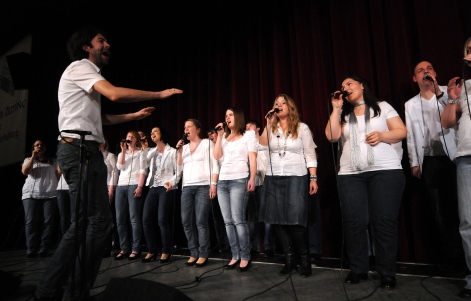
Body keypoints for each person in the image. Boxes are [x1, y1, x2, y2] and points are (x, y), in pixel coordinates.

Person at [34, 25, 182, 301]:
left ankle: (53, 290)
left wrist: (133, 116)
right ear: (86, 47)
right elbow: (113, 93)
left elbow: (99, 119)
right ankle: (72, 291)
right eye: (101, 40)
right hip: (79, 150)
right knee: (99, 224)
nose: (107, 44)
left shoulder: (87, 78)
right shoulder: (80, 67)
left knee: (82, 226)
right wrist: (158, 94)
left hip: (81, 149)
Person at [325, 75, 406, 288]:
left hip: (385, 170)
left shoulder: (381, 107)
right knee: (354, 223)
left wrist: (381, 135)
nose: (345, 88)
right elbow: (332, 136)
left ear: (362, 86)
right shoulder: (343, 113)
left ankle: (387, 272)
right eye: (343, 86)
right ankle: (358, 269)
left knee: (384, 222)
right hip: (351, 173)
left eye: (350, 83)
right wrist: (335, 108)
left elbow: (401, 131)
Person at [404, 61, 461, 266]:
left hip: (455, 156)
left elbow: (457, 114)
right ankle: (454, 261)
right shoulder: (410, 104)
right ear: (414, 78)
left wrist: (439, 91)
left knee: (461, 208)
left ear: (435, 73)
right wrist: (414, 163)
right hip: (430, 161)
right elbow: (410, 135)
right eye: (420, 70)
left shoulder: (450, 92)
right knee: (439, 212)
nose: (425, 72)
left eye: (428, 69)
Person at [259, 95, 318, 278]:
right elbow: (262, 143)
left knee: (296, 220)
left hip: (296, 176)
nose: (279, 105)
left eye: (282, 103)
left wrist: (313, 177)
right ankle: (289, 260)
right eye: (276, 103)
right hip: (274, 175)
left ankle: (305, 260)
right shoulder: (272, 126)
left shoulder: (302, 128)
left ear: (290, 107)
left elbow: (309, 153)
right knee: (279, 221)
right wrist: (268, 123)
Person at [441, 37, 471, 299]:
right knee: (468, 222)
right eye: (469, 50)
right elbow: (447, 122)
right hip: (465, 158)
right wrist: (452, 99)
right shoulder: (464, 87)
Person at [213, 107, 257, 272]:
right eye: (225, 115)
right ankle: (235, 254)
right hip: (223, 182)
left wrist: (252, 178)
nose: (227, 117)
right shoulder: (223, 137)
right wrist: (219, 136)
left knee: (238, 219)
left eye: (230, 114)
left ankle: (245, 256)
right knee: (228, 220)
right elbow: (217, 156)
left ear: (237, 117)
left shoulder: (248, 135)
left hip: (239, 179)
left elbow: (252, 158)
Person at [176, 119, 219, 267]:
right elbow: (179, 167)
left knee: (201, 221)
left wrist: (213, 184)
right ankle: (193, 252)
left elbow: (215, 164)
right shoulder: (185, 148)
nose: (186, 129)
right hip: (187, 187)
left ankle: (203, 253)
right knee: (186, 221)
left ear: (198, 129)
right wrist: (180, 152)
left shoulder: (207, 143)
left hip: (203, 186)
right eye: (184, 127)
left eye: (189, 126)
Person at [141, 127, 182, 263]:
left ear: (162, 134)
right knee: (146, 219)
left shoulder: (172, 152)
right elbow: (143, 164)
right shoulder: (152, 152)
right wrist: (145, 149)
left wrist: (172, 182)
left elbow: (179, 171)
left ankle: (166, 250)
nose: (152, 134)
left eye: (155, 132)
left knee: (162, 220)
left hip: (166, 188)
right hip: (153, 187)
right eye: (151, 132)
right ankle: (152, 250)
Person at [21, 140, 60, 258]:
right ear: (33, 148)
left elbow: (60, 174)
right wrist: (33, 156)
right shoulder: (28, 159)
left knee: (47, 223)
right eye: (36, 145)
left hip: (50, 194)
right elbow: (25, 171)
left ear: (45, 148)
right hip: (31, 195)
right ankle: (31, 249)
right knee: (31, 222)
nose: (39, 146)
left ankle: (44, 249)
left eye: (41, 145)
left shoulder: (53, 161)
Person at [113, 131, 147, 260]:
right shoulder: (123, 153)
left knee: (134, 218)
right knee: (120, 219)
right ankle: (124, 248)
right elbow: (120, 166)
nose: (129, 138)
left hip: (134, 184)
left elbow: (143, 170)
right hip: (121, 185)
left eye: (132, 137)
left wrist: (140, 186)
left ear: (136, 139)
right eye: (128, 136)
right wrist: (123, 150)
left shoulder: (141, 152)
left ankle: (136, 248)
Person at [245, 119, 274, 257]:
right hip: (252, 182)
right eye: (246, 126)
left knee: (268, 215)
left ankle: (268, 246)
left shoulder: (265, 141)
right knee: (252, 216)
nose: (247, 127)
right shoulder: (246, 144)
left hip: (266, 181)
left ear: (257, 128)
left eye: (250, 125)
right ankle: (253, 246)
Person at [207, 129, 229, 253]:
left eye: (212, 133)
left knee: (227, 217)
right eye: (209, 134)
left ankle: (228, 244)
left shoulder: (225, 145)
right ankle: (219, 243)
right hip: (213, 185)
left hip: (225, 183)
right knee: (215, 217)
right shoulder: (208, 149)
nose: (210, 136)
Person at [100, 138, 118, 257]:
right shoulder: (94, 156)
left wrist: (111, 188)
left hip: (107, 187)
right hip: (96, 189)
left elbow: (115, 172)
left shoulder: (110, 156)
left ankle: (109, 243)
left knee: (107, 217)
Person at [56, 169, 72, 240]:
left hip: (76, 187)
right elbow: (59, 172)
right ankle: (65, 241)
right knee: (64, 217)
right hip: (62, 188)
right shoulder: (63, 157)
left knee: (75, 217)